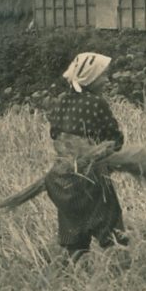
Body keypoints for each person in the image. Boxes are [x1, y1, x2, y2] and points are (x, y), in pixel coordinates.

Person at [44, 52, 128, 261]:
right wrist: (107, 153)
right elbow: (114, 137)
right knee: (112, 229)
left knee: (74, 233)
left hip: (62, 178)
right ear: (90, 77)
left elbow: (55, 133)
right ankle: (120, 271)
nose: (107, 80)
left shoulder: (61, 101)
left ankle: (74, 272)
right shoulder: (96, 103)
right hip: (91, 177)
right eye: (103, 75)